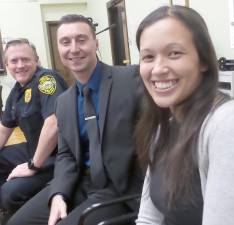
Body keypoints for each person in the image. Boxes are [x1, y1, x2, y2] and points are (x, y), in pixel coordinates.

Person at [134, 5, 234, 225]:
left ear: (203, 60)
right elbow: (148, 218)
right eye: (148, 57)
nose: (158, 68)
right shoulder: (164, 128)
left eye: (174, 53)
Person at [7, 14, 143, 225]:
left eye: (81, 39)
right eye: (65, 42)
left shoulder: (131, 79)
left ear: (96, 43)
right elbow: (66, 154)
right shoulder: (64, 102)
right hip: (80, 182)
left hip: (119, 188)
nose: (73, 48)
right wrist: (59, 193)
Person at [0, 39, 67, 219]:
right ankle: (6, 207)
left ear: (36, 60)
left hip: (59, 157)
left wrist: (32, 165)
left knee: (9, 192)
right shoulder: (17, 90)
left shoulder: (46, 80)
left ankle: (23, 214)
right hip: (34, 150)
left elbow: (53, 123)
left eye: (26, 59)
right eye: (14, 61)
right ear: (6, 65)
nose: (20, 65)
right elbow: (4, 128)